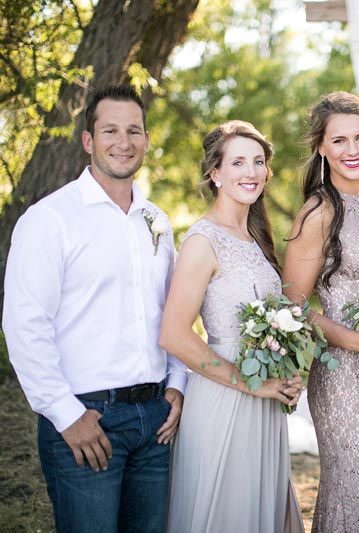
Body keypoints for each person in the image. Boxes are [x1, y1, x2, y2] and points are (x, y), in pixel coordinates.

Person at [2, 85, 187, 532]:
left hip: (155, 420)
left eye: (134, 131)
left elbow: (175, 309)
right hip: (88, 420)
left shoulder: (156, 221)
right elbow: (25, 325)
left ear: (145, 139)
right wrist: (66, 415)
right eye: (110, 130)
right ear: (88, 140)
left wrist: (177, 385)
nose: (123, 142)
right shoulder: (51, 219)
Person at [159, 120, 304, 532]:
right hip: (224, 398)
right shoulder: (202, 241)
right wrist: (249, 383)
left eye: (258, 162)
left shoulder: (256, 239)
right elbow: (173, 333)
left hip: (265, 401)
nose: (251, 172)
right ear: (215, 173)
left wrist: (288, 374)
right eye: (237, 162)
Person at [282, 92, 359, 532]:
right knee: (357, 488)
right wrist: (357, 340)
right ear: (321, 148)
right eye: (339, 141)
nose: (352, 150)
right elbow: (291, 309)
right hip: (343, 380)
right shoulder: (317, 213)